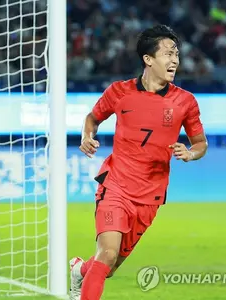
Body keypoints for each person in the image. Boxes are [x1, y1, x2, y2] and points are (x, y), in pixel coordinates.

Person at [69, 25, 208, 300]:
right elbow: (92, 118)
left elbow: (201, 143)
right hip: (116, 185)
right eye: (168, 54)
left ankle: (78, 271)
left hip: (150, 196)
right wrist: (87, 136)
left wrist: (190, 153)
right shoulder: (119, 92)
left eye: (177, 54)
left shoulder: (185, 102)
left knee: (107, 267)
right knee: (106, 254)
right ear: (148, 59)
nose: (175, 60)